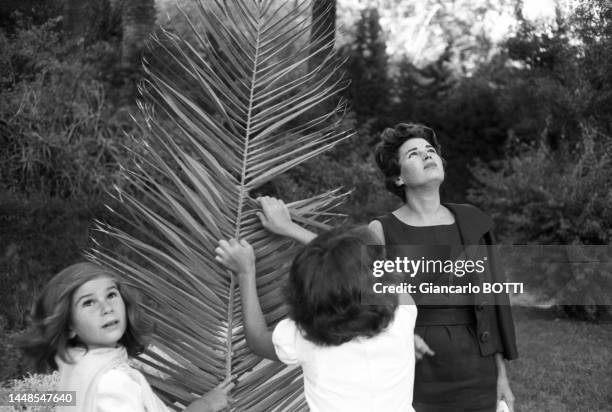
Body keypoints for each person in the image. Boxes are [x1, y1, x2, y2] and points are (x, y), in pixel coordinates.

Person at [255, 122, 518, 412]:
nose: (427, 155)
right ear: (398, 178)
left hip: (475, 368)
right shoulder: (383, 229)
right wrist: (289, 228)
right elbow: (346, 262)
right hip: (414, 364)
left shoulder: (472, 221)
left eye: (430, 150)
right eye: (413, 154)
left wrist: (501, 375)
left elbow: (491, 305)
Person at [215, 227, 417, 412]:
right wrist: (289, 226)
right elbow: (351, 270)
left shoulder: (304, 337)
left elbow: (257, 340)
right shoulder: (402, 307)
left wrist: (245, 272)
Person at [19, 262, 233, 412]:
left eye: (111, 295)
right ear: (69, 326)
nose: (106, 308)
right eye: (88, 303)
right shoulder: (112, 382)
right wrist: (204, 406)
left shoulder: (77, 365)